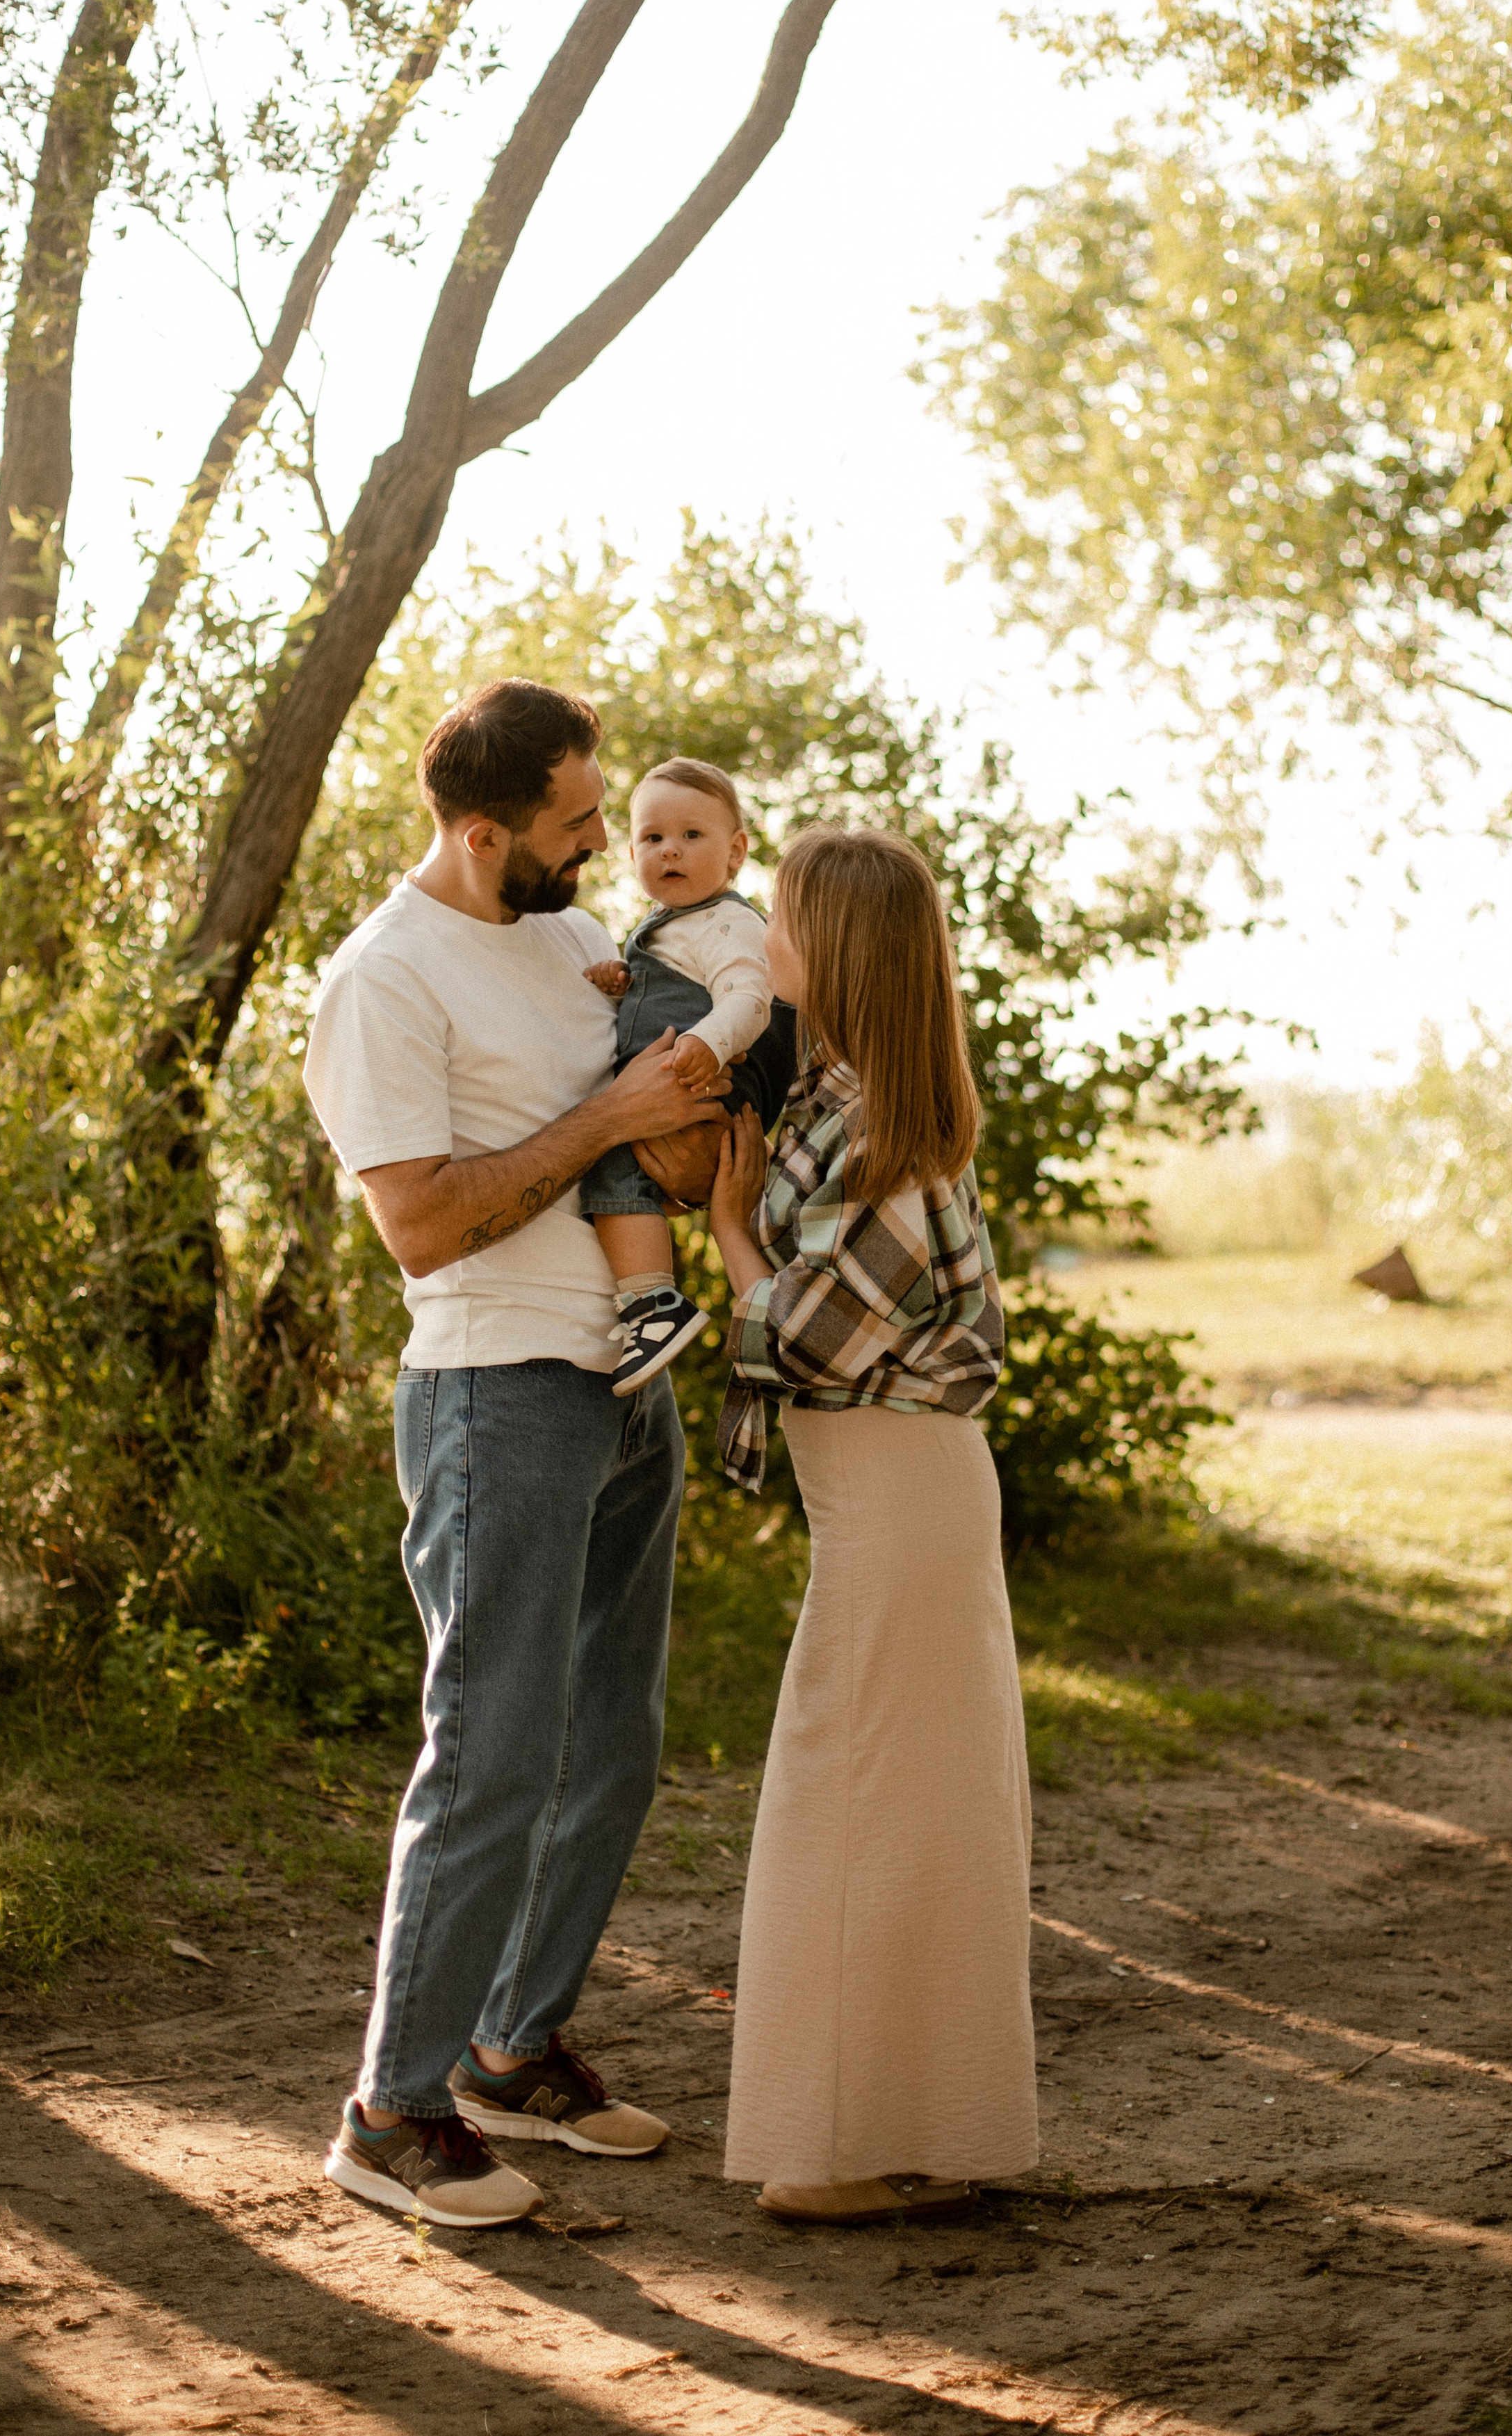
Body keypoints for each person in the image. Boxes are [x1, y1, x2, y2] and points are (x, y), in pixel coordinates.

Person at [302, 677, 732, 2230]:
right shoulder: (383, 981)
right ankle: (388, 2109)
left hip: (627, 1383)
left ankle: (505, 2046)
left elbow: (664, 1142)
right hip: (497, 1395)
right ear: (485, 835)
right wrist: (604, 1114)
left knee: (611, 1743)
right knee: (488, 1760)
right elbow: (419, 1223)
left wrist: (683, 1117)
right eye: (573, 821)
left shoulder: (568, 937)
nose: (602, 839)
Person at [704, 824, 1037, 2225]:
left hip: (896, 1492)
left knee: (854, 1794)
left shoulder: (886, 1130)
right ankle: (903, 2126)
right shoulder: (833, 1098)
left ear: (831, 946)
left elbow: (815, 1333)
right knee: (885, 1796)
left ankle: (843, 2141)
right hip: (882, 1493)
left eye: (777, 916)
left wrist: (729, 1235)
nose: (758, 939)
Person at [576, 757, 792, 1395]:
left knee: (609, 1164)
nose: (670, 849)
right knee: (624, 1167)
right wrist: (619, 983)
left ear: (735, 853)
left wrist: (708, 1041)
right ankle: (651, 1293)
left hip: (702, 1084)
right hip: (671, 1088)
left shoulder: (730, 921)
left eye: (692, 836)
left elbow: (750, 999)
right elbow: (658, 997)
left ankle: (651, 1301)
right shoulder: (663, 928)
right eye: (652, 838)